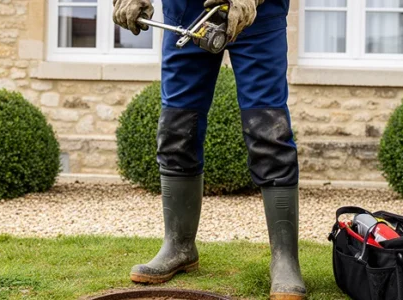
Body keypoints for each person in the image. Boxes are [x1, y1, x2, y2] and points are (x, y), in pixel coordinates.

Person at [112, 0, 304, 298]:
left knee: (268, 130)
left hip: (257, 15)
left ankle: (285, 260)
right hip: (187, 12)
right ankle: (179, 247)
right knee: (177, 126)